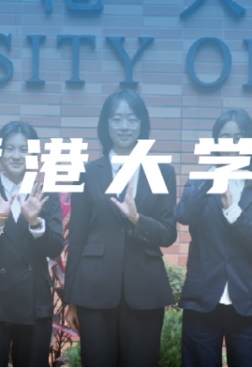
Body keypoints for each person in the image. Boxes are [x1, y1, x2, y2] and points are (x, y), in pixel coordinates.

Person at [63, 89, 178, 367]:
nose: (124, 126)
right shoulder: (89, 172)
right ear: (106, 124)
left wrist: (138, 219)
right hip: (94, 289)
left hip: (144, 289)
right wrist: (71, 299)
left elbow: (168, 232)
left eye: (132, 118)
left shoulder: (160, 171)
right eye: (116, 119)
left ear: (142, 124)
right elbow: (77, 236)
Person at [174, 109, 252, 367]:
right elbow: (184, 214)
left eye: (239, 137)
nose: (232, 144)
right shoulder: (200, 183)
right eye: (225, 137)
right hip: (202, 298)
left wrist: (233, 211)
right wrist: (212, 175)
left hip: (249, 300)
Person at [0, 121, 65, 367]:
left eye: (24, 149)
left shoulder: (45, 194)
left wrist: (35, 223)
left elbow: (55, 247)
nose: (17, 156)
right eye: (10, 148)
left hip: (34, 302)